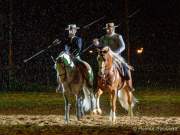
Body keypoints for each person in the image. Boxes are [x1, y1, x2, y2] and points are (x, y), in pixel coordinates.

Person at [56, 24, 93, 92]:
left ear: (75, 31)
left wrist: (72, 54)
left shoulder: (78, 39)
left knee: (83, 66)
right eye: (70, 30)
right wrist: (56, 42)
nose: (71, 31)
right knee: (58, 66)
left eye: (72, 29)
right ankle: (60, 84)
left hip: (75, 56)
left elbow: (78, 49)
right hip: (66, 56)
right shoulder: (66, 39)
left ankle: (87, 81)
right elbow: (63, 46)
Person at [99, 22, 134, 91]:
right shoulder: (103, 38)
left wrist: (114, 53)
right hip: (105, 57)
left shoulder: (118, 36)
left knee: (125, 67)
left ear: (113, 28)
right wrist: (97, 45)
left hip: (116, 56)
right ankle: (96, 84)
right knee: (99, 65)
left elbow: (123, 46)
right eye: (107, 28)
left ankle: (129, 84)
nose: (108, 29)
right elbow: (101, 46)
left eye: (109, 28)